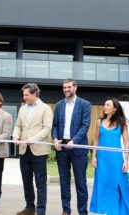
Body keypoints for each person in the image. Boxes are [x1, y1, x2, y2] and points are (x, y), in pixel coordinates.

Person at [90, 98, 129, 215]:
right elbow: (96, 139)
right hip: (102, 158)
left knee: (118, 183)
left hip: (116, 159)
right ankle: (105, 210)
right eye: (104, 104)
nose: (104, 106)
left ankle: (118, 211)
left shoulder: (122, 123)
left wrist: (126, 160)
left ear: (114, 109)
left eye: (107, 105)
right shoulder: (98, 122)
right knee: (103, 183)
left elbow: (126, 143)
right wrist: (94, 156)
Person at [13, 83, 53, 215]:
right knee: (26, 180)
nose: (24, 97)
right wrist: (15, 135)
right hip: (24, 150)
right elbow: (18, 125)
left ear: (35, 94)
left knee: (40, 183)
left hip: (39, 151)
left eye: (26, 95)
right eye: (23, 95)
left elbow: (47, 129)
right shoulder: (22, 108)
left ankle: (41, 211)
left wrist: (34, 138)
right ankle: (30, 207)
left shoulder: (46, 108)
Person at [52, 79, 91, 215]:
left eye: (69, 87)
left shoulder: (85, 104)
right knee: (64, 181)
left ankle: (82, 211)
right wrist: (55, 138)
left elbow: (85, 125)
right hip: (62, 148)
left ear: (75, 88)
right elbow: (55, 125)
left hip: (78, 148)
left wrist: (74, 140)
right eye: (64, 87)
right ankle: (66, 210)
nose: (66, 89)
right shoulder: (59, 105)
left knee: (81, 182)